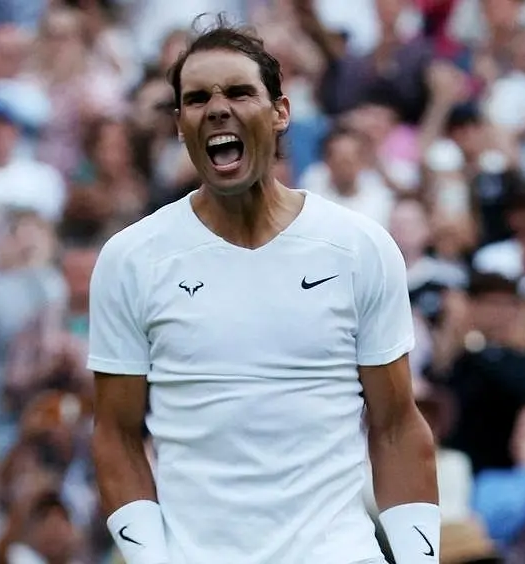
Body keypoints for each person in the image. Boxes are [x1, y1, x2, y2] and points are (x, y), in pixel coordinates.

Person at [87, 17, 439, 564]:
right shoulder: (131, 259)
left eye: (239, 92)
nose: (217, 109)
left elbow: (396, 426)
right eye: (197, 98)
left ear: (280, 112)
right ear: (180, 125)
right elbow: (115, 435)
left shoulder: (359, 247)